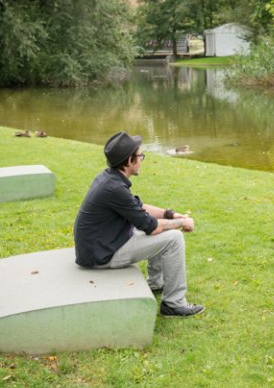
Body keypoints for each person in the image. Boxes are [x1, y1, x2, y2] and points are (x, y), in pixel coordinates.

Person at [74, 131, 204, 317]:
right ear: (129, 161)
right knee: (173, 238)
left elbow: (139, 207)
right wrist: (181, 223)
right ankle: (173, 304)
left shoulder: (109, 178)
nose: (142, 159)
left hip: (99, 247)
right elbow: (152, 227)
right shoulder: (115, 188)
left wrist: (171, 214)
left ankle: (155, 283)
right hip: (101, 256)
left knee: (154, 229)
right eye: (140, 156)